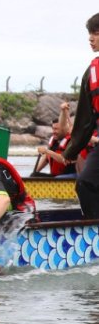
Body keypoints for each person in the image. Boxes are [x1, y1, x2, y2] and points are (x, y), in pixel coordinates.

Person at [63, 13, 99, 218]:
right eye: (90, 33)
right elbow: (85, 119)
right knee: (85, 183)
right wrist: (71, 151)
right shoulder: (92, 73)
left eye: (96, 33)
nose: (90, 38)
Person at [34, 102, 78, 178]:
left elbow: (63, 159)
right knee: (35, 175)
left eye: (56, 129)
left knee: (57, 178)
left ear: (64, 129)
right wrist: (35, 172)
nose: (54, 131)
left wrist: (47, 151)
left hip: (69, 176)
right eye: (53, 129)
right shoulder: (54, 141)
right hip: (56, 176)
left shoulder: (71, 140)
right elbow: (46, 158)